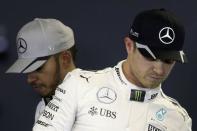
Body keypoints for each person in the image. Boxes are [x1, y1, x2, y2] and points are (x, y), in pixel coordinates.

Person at [33, 9, 192, 131]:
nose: (159, 69)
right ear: (129, 46)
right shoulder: (77, 85)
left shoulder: (178, 119)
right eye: (149, 56)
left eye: (168, 60)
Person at [6, 18, 77, 123]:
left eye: (38, 68)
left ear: (65, 59)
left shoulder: (100, 103)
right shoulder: (43, 108)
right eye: (27, 70)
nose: (30, 79)